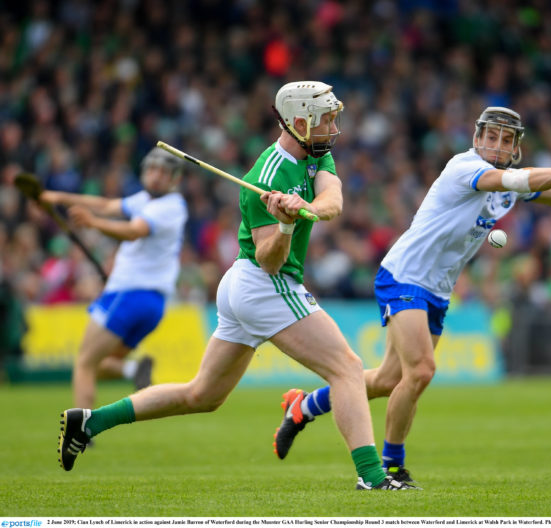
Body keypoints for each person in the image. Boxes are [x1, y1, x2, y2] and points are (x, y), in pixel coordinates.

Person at [272, 106, 551, 486]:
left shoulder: (511, 184)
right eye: (491, 136)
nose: (498, 146)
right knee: (421, 372)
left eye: (507, 140)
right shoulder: (464, 167)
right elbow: (517, 180)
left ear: (515, 146)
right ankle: (390, 467)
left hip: (436, 288)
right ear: (478, 137)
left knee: (388, 379)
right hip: (404, 276)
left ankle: (304, 406)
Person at [57, 81, 415, 491]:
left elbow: (333, 201)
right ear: (299, 122)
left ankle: (90, 421)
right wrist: (284, 223)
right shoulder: (263, 176)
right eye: (326, 120)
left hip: (246, 286)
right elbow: (269, 257)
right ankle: (372, 477)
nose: (333, 128)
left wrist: (306, 208)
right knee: (347, 369)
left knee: (202, 396)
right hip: (264, 282)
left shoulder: (318, 156)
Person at [41, 147, 188, 409]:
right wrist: (58, 197)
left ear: (174, 178)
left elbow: (134, 231)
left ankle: (80, 431)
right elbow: (106, 204)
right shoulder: (146, 200)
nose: (156, 176)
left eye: (164, 172)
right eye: (152, 169)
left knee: (84, 363)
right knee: (101, 364)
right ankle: (132, 369)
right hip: (152, 305)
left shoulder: (169, 206)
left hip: (128, 294)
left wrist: (93, 223)